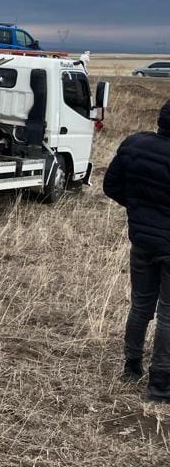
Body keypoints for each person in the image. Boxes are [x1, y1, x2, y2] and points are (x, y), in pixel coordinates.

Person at [103, 99, 170, 400]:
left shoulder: (135, 144)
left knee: (141, 305)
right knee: (168, 314)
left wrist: (140, 211)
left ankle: (132, 367)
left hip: (142, 241)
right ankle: (160, 385)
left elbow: (111, 185)